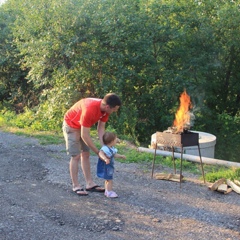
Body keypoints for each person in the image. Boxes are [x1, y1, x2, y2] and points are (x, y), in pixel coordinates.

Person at [62, 93, 122, 196]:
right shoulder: (89, 109)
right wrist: (98, 152)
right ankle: (76, 185)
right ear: (108, 106)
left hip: (82, 127)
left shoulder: (105, 110)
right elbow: (84, 135)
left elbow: (101, 128)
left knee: (86, 154)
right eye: (114, 109)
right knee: (76, 156)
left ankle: (89, 184)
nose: (114, 111)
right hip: (71, 125)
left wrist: (104, 147)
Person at [97, 132, 126, 198]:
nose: (116, 140)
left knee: (107, 179)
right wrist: (105, 159)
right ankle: (109, 192)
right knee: (109, 179)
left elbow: (114, 155)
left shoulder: (111, 148)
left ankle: (107, 190)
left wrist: (121, 156)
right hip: (106, 166)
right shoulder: (105, 148)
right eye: (115, 139)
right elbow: (100, 153)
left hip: (109, 167)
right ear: (112, 141)